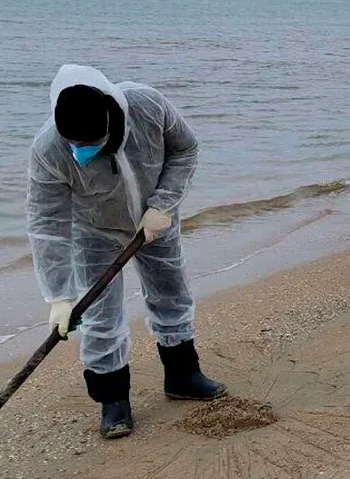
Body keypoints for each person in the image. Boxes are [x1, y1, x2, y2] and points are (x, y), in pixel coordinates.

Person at [27, 65, 227, 440]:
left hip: (156, 218)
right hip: (96, 232)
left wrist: (163, 205)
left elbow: (186, 149)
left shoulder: (147, 105)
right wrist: (59, 295)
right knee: (101, 317)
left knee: (171, 294)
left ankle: (183, 375)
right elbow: (47, 222)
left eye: (90, 143)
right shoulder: (49, 149)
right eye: (75, 145)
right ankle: (113, 400)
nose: (81, 152)